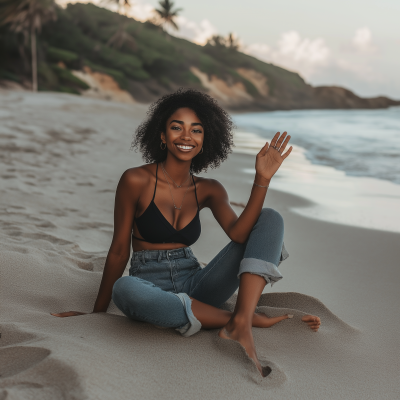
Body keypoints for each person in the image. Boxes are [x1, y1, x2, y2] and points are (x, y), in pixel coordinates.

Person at [52, 88, 321, 377]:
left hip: (198, 283)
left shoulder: (210, 189)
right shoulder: (135, 180)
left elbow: (241, 235)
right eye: (176, 127)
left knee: (269, 218)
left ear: (205, 140)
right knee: (125, 290)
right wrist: (98, 313)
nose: (186, 136)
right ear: (162, 135)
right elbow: (119, 250)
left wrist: (262, 179)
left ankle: (239, 320)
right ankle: (241, 319)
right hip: (149, 284)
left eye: (196, 130)